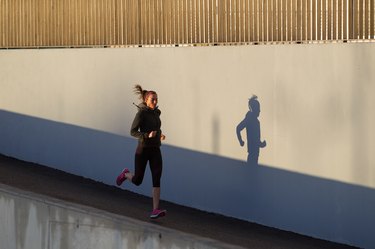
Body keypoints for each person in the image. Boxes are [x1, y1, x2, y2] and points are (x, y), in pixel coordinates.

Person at [116, 84, 166, 219]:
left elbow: (156, 128)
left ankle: (155, 210)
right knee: (138, 180)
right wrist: (146, 136)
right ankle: (126, 174)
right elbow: (133, 131)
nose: (155, 102)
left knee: (157, 177)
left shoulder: (157, 112)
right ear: (146, 100)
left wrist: (159, 135)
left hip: (155, 149)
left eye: (156, 99)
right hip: (143, 149)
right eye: (152, 100)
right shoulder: (141, 113)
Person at [236, 95, 266, 165]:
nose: (259, 110)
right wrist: (241, 141)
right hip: (252, 152)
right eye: (258, 108)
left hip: (256, 153)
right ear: (254, 109)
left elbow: (256, 138)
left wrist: (261, 144)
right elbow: (238, 128)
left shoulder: (256, 122)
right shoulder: (249, 119)